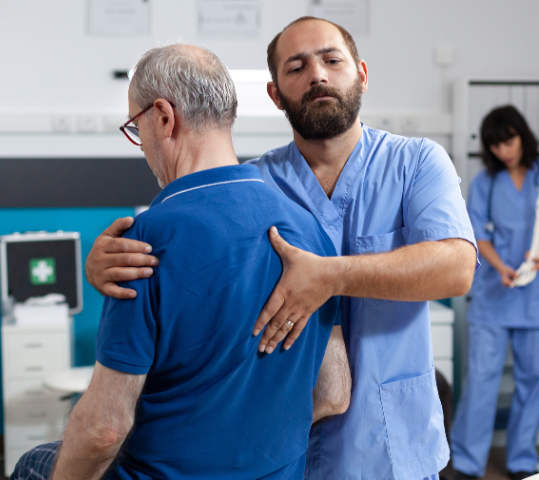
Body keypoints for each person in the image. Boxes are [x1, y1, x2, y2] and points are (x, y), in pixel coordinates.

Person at [86, 17, 478, 480]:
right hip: (283, 451)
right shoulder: (258, 183)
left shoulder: (417, 163)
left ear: (362, 74)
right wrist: (105, 264)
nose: (317, 75)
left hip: (389, 441)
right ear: (275, 95)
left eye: (332, 60)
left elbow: (456, 268)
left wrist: (330, 275)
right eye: (296, 68)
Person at [11, 44, 351, 480]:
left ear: (164, 117)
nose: (141, 145)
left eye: (136, 127)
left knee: (32, 464)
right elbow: (334, 394)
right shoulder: (311, 234)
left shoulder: (144, 243)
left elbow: (103, 429)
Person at [449, 105, 539, 480]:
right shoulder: (485, 183)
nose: (504, 150)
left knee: (533, 379)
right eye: (496, 145)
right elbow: (476, 232)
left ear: (522, 135)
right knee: (482, 379)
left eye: (509, 141)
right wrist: (501, 266)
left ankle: (522, 460)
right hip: (495, 291)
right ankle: (467, 463)